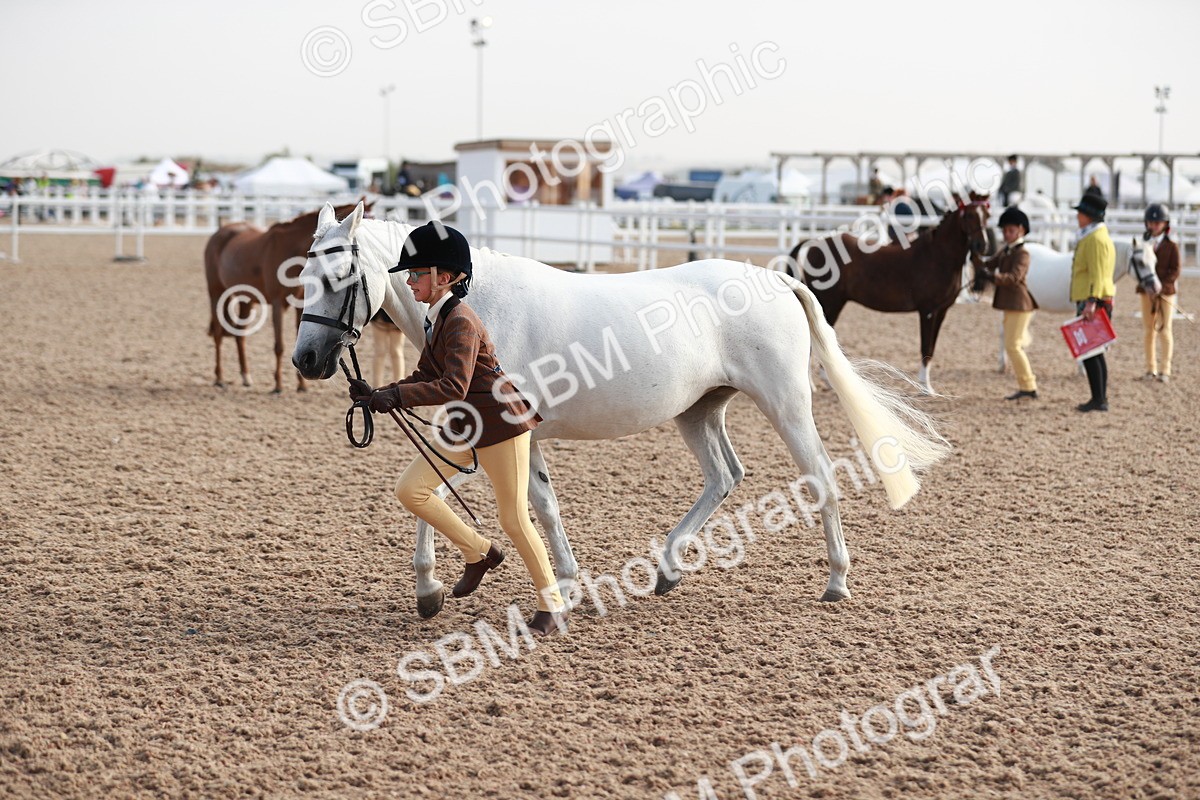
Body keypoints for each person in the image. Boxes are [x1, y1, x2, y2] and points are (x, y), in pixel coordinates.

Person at [348, 222, 568, 635]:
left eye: (416, 274)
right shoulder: (438, 317)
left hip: (502, 424)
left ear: (445, 278)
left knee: (515, 519)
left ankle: (553, 606)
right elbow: (423, 373)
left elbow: (453, 385)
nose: (409, 282)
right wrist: (378, 392)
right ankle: (478, 552)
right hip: (466, 425)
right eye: (409, 275)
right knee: (410, 490)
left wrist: (396, 398)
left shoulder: (461, 321)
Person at [976, 207, 1038, 399]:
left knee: (1013, 346)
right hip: (1012, 304)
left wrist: (993, 277)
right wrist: (978, 260)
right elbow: (990, 263)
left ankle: (1029, 386)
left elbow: (1014, 277)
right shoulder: (1007, 250)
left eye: (1010, 230)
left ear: (1021, 230)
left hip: (1020, 304)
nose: (1006, 234)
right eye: (1004, 231)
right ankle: (1027, 386)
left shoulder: (1022, 253)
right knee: (1013, 344)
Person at [1069, 194, 1116, 412]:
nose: (1077, 216)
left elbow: (1098, 274)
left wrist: (1091, 302)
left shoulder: (1095, 239)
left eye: (1081, 212)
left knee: (1091, 352)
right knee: (1094, 351)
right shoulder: (1095, 236)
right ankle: (1099, 397)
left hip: (1093, 300)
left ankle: (1099, 398)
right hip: (1094, 298)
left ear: (1090, 216)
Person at [1137, 203, 1181, 383]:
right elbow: (1138, 267)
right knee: (1148, 330)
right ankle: (1150, 368)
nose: (1154, 225)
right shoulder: (1142, 243)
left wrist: (1160, 288)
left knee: (1165, 329)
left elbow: (1175, 270)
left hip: (1165, 292)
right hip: (1146, 292)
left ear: (1165, 224)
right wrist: (1148, 287)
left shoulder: (1171, 245)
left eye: (1158, 222)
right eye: (1151, 222)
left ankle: (1165, 369)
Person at [368, 309, 406, 387]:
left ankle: (377, 386)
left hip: (384, 316)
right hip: (392, 315)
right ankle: (398, 385)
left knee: (386, 351)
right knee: (394, 351)